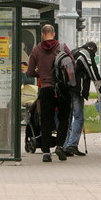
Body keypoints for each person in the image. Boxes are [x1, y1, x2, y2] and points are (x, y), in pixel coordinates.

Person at [26, 24, 72, 162]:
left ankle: (46, 152)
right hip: (62, 89)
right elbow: (72, 66)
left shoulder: (36, 50)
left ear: (42, 34)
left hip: (46, 89)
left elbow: (29, 72)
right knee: (64, 118)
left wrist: (41, 74)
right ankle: (59, 145)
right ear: (54, 33)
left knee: (46, 119)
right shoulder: (63, 47)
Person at [63, 41, 101, 156]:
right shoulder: (85, 53)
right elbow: (93, 71)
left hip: (67, 89)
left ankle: (65, 145)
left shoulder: (74, 52)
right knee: (79, 117)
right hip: (76, 90)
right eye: (94, 53)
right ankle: (71, 145)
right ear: (92, 49)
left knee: (69, 118)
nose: (93, 55)